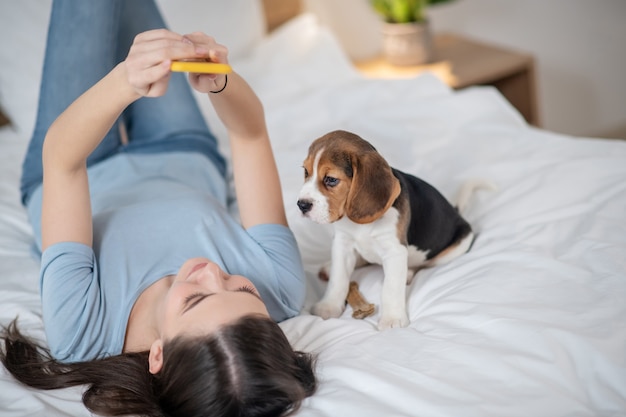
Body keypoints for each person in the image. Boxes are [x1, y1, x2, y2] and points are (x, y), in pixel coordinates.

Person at [0, 1, 317, 416]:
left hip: (75, 160)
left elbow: (63, 161)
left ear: (157, 356)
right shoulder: (280, 287)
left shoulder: (80, 331)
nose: (210, 271)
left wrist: (124, 83)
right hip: (182, 147)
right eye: (243, 289)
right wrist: (222, 81)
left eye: (195, 301)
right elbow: (251, 135)